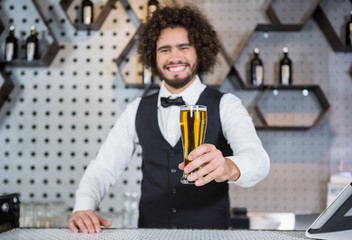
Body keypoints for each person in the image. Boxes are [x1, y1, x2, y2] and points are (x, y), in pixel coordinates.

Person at [67, 3, 270, 233]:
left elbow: (258, 160)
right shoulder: (137, 108)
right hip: (150, 235)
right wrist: (83, 207)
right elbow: (103, 168)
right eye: (164, 49)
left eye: (184, 47)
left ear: (200, 51)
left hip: (211, 236)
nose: (174, 57)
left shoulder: (226, 105)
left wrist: (229, 167)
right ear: (153, 56)